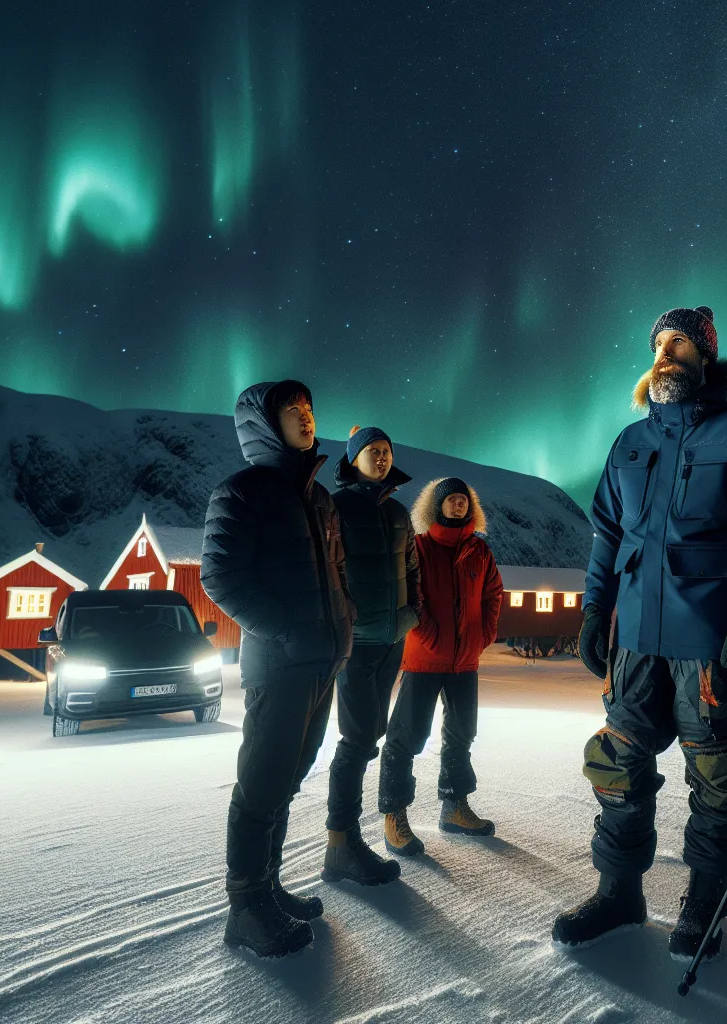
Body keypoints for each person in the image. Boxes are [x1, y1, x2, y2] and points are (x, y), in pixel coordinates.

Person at [552, 305, 727, 962]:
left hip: (707, 637)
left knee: (714, 771)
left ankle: (706, 900)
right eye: (659, 344)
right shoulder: (631, 442)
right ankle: (618, 891)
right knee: (617, 761)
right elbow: (607, 531)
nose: (665, 353)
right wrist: (594, 609)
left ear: (706, 357)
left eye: (679, 343)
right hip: (634, 636)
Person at [201, 380, 355, 957]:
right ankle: (245, 906)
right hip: (280, 663)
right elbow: (219, 577)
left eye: (310, 409)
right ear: (265, 424)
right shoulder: (241, 492)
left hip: (323, 660)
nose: (307, 418)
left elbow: (335, 574)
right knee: (261, 785)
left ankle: (268, 887)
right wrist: (288, 630)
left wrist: (346, 618)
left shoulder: (319, 499)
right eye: (293, 411)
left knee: (288, 780)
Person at [377, 476, 504, 853]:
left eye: (464, 499)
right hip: (424, 659)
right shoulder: (419, 546)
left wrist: (483, 633)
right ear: (436, 506)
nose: (458, 505)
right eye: (451, 500)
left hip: (465, 661)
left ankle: (454, 806)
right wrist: (428, 634)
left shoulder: (479, 552)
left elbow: (494, 592)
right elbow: (410, 594)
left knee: (461, 736)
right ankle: (394, 815)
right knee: (405, 738)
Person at [321, 426, 419, 887]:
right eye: (371, 451)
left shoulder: (399, 511)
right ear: (353, 458)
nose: (380, 458)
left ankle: (344, 843)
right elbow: (326, 566)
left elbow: (413, 567)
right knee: (357, 739)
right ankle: (341, 843)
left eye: (386, 450)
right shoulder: (335, 507)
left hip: (392, 638)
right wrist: (345, 619)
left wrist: (412, 613)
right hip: (356, 641)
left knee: (371, 734)